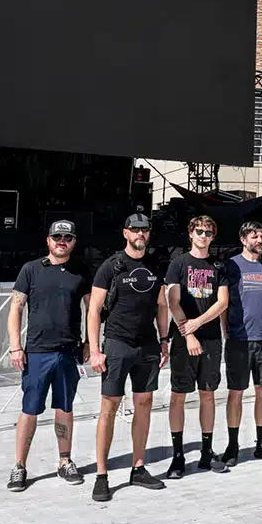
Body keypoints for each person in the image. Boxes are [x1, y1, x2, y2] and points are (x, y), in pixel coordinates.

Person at [86, 213, 171, 502]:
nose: (140, 235)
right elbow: (94, 310)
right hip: (117, 344)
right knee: (109, 407)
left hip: (147, 345)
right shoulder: (110, 266)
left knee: (145, 403)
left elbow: (161, 305)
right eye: (135, 230)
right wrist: (96, 350)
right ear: (125, 233)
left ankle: (138, 467)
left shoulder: (155, 264)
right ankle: (101, 475)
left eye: (145, 230)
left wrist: (163, 340)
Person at [6, 220, 92, 492]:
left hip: (68, 352)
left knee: (65, 408)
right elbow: (15, 308)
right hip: (36, 352)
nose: (62, 241)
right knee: (29, 409)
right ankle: (19, 466)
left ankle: (64, 462)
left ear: (74, 241)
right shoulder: (31, 270)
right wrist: (15, 346)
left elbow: (92, 310)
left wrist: (92, 342)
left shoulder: (81, 272)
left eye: (67, 237)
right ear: (48, 240)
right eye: (57, 236)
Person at [163, 215, 232, 478]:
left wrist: (198, 324)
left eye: (208, 233)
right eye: (199, 231)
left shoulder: (218, 266)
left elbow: (222, 302)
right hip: (183, 339)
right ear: (190, 233)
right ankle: (178, 455)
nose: (203, 236)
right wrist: (187, 332)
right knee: (178, 395)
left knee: (207, 394)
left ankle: (206, 451)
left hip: (211, 338)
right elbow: (173, 302)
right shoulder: (178, 264)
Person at [219, 220, 262, 465]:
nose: (259, 240)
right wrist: (227, 328)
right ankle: (233, 445)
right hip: (238, 339)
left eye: (261, 236)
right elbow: (224, 302)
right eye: (253, 236)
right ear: (243, 239)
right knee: (235, 392)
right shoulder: (231, 265)